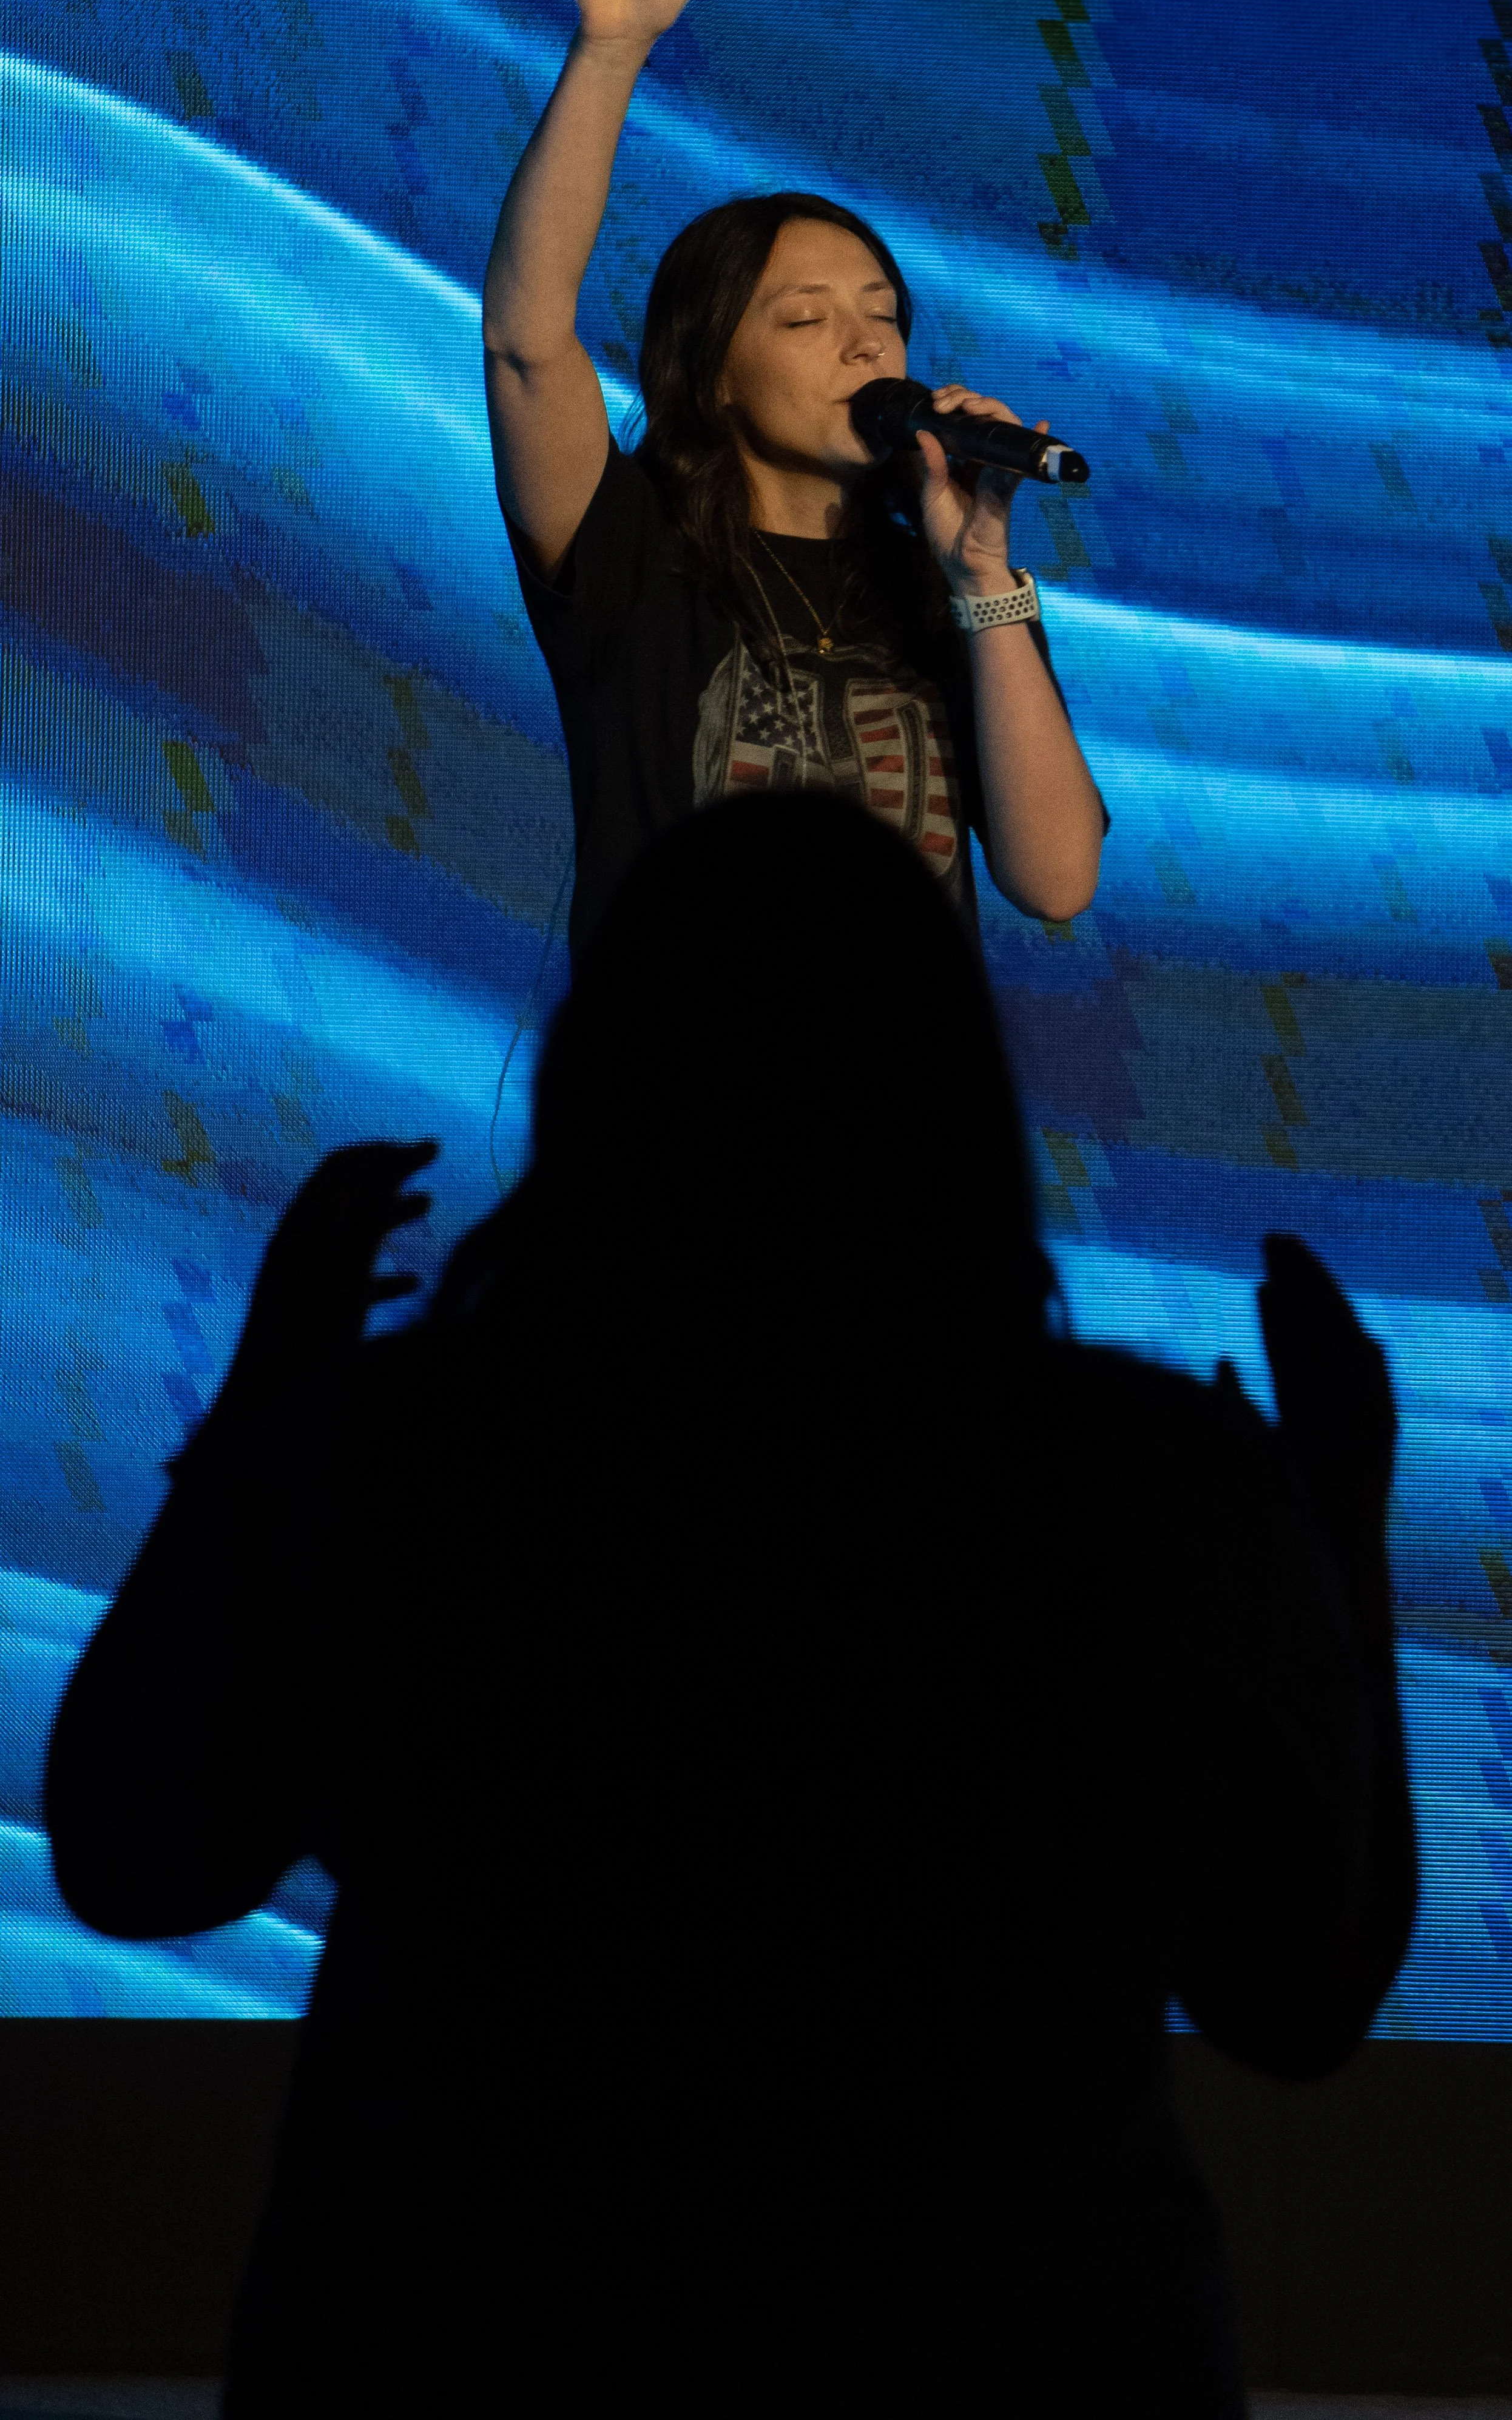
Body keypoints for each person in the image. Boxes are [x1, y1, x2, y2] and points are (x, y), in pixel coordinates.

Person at [44, 795, 1414, 2415]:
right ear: (953, 1100)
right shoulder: (1147, 1485)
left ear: (597, 1084)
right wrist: (1335, 1517)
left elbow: (133, 1850)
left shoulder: (408, 1455)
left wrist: (271, 1402)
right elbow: (1299, 1990)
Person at [484, 0, 1109, 970]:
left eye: (884, 316)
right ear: (714, 372)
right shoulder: (633, 551)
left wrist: (984, 579)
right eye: (807, 318)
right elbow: (526, 341)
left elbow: (1057, 877)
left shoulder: (940, 591)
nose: (866, 346)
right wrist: (612, 51)